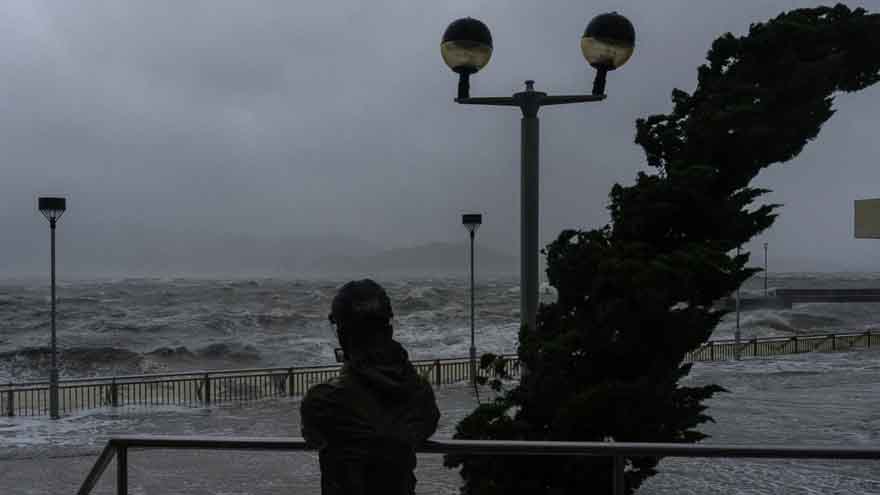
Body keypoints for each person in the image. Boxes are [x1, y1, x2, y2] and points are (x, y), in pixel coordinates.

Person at [301, 279, 440, 495]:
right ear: (389, 330)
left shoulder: (323, 401)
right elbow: (426, 426)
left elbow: (312, 435)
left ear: (342, 335)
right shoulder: (420, 394)